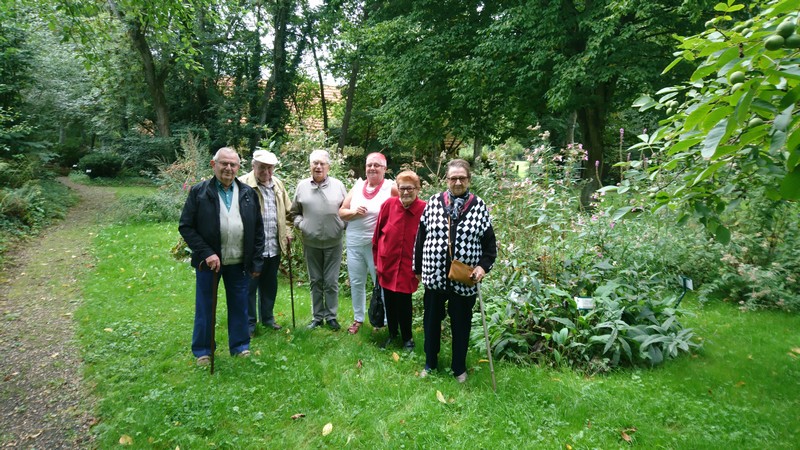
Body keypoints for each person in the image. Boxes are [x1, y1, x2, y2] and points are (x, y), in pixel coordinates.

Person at [179, 147, 264, 366]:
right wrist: (206, 253)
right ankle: (203, 351)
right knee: (206, 306)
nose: (228, 168)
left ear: (238, 167)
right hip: (210, 263)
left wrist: (256, 261)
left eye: (233, 164)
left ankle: (240, 346)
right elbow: (186, 226)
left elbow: (257, 231)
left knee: (240, 304)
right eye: (224, 163)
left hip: (239, 262)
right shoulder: (199, 192)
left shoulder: (247, 194)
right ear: (213, 164)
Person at [414, 159, 497, 383]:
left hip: (465, 278)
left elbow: (490, 246)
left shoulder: (479, 206)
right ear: (447, 180)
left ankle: (458, 367)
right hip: (435, 276)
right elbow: (420, 238)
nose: (457, 182)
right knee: (431, 322)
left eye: (462, 178)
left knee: (461, 324)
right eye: (453, 178)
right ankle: (430, 363)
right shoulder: (432, 203)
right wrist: (418, 268)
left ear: (469, 180)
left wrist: (482, 267)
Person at [339, 153, 398, 334]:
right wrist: (354, 212)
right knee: (357, 282)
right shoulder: (357, 186)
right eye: (369, 165)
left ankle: (384, 321)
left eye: (376, 165)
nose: (372, 168)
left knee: (380, 283)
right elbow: (341, 212)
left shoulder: (390, 187)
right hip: (354, 243)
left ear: (384, 169)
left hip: (377, 246)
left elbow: (400, 211)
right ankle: (358, 319)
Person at [290, 149, 347, 331]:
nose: (318, 166)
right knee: (315, 280)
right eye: (315, 163)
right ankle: (317, 317)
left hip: (333, 242)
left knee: (330, 281)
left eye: (322, 163)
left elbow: (347, 209)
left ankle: (331, 316)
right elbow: (294, 212)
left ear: (328, 166)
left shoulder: (338, 185)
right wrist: (301, 225)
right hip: (311, 242)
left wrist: (342, 225)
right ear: (310, 166)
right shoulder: (302, 186)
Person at [239, 149, 292, 336]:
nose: (266, 173)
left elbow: (288, 212)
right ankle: (249, 324)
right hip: (253, 248)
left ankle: (268, 319)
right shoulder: (243, 184)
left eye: (270, 169)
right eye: (262, 168)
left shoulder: (278, 184)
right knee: (249, 287)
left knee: (270, 285)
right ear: (253, 166)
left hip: (274, 245)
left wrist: (288, 231)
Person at [373, 170, 425, 350]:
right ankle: (392, 334)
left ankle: (407, 338)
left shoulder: (424, 209)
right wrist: (376, 261)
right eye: (402, 188)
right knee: (389, 300)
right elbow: (377, 234)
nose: (405, 192)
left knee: (404, 301)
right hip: (388, 262)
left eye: (410, 188)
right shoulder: (388, 205)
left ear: (417, 189)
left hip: (408, 265)